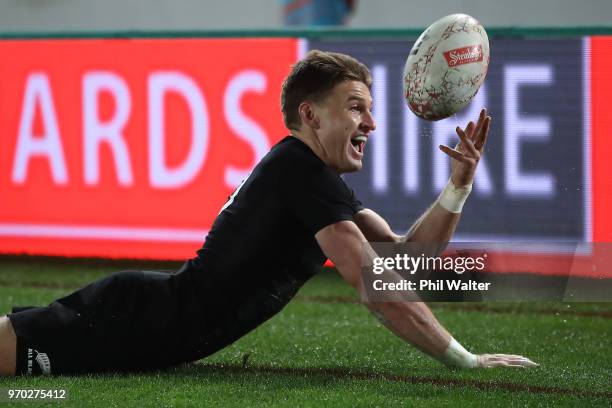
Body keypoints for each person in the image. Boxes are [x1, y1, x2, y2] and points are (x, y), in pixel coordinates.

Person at [0, 50, 537, 376]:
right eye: (355, 107)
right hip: (133, 319)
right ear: (310, 115)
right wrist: (464, 359)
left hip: (147, 329)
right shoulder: (297, 170)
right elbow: (379, 290)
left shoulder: (315, 181)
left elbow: (410, 259)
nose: (371, 123)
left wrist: (458, 186)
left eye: (371, 109)